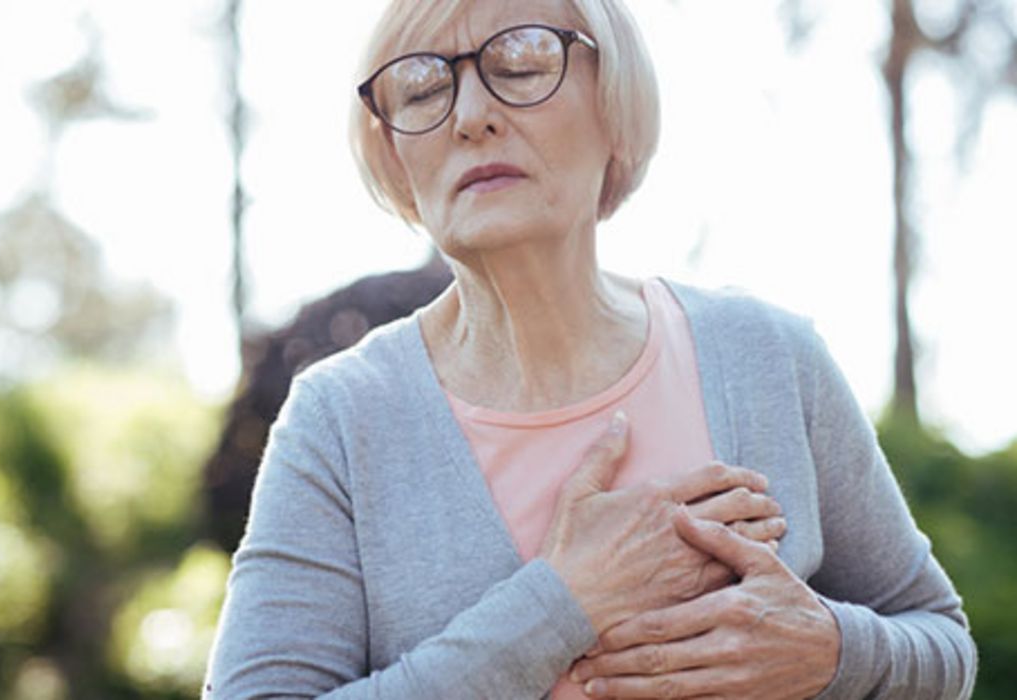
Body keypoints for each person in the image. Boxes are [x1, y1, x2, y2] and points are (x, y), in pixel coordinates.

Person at [203, 0, 977, 697]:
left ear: (614, 106)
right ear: (394, 154)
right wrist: (558, 604)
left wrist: (832, 650)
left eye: (522, 61)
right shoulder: (341, 418)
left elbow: (940, 640)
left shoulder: (768, 356)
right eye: (422, 88)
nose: (470, 114)